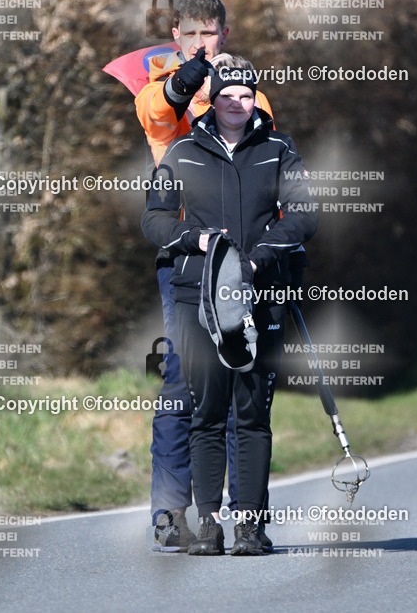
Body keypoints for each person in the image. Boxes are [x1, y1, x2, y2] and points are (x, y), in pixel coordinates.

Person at [142, 57, 318, 555]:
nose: (235, 103)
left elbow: (304, 214)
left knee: (252, 414)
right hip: (198, 296)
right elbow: (153, 220)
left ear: (254, 100)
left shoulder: (278, 148)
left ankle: (251, 527)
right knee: (206, 413)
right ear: (211, 99)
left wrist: (264, 254)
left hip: (260, 296)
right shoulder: (183, 149)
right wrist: (192, 239)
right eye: (226, 95)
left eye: (244, 95)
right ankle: (209, 526)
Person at [133, 0, 277, 552]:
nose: (200, 43)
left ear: (223, 33)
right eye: (190, 34)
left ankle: (241, 518)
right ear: (176, 34)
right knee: (182, 383)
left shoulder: (248, 91)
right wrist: (197, 75)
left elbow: (260, 149)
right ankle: (171, 512)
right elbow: (163, 106)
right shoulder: (161, 84)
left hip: (238, 257)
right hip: (185, 255)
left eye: (209, 35)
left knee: (243, 379)